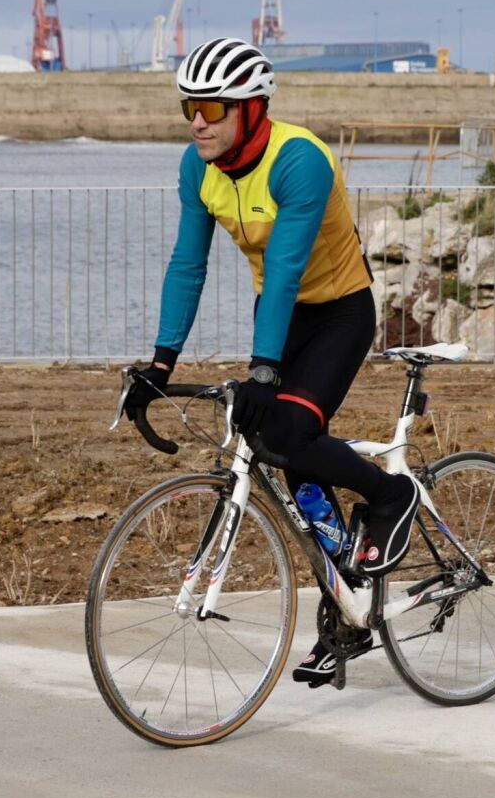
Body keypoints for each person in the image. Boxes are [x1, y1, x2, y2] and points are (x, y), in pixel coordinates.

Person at [129, 38, 418, 687]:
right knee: (281, 448)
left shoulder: (299, 160)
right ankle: (347, 606)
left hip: (339, 311)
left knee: (290, 431)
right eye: (188, 107)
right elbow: (188, 264)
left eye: (211, 107)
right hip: (282, 313)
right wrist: (160, 364)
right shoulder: (199, 167)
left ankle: (391, 493)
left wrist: (263, 371)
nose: (197, 121)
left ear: (251, 109)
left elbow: (286, 267)